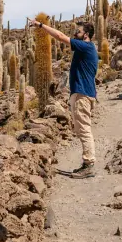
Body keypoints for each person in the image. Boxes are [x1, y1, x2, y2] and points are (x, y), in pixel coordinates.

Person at [27, 18, 99, 179]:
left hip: (82, 94)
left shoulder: (86, 46)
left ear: (86, 34)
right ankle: (87, 163)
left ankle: (89, 165)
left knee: (84, 129)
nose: (75, 33)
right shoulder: (86, 49)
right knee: (82, 128)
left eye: (79, 31)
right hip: (83, 93)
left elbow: (60, 36)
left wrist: (40, 25)